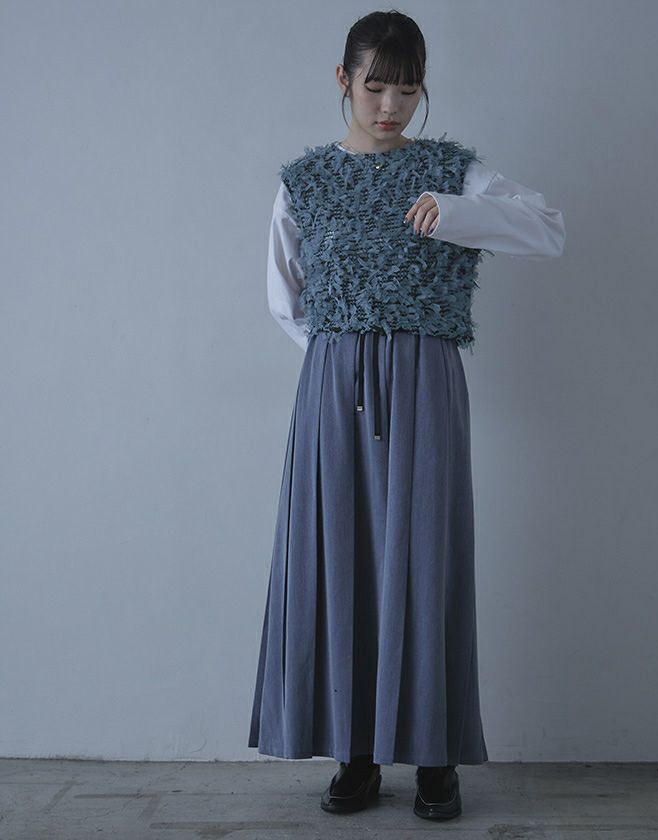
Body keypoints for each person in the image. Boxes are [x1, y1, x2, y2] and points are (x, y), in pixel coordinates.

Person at [248, 10, 566, 822]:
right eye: (375, 86)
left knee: (425, 559)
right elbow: (286, 300)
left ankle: (434, 755)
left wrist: (456, 214)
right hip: (333, 383)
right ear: (344, 80)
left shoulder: (453, 173)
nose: (391, 106)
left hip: (425, 381)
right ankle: (354, 754)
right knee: (340, 558)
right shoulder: (305, 181)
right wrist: (349, 357)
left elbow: (548, 231)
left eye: (408, 89)